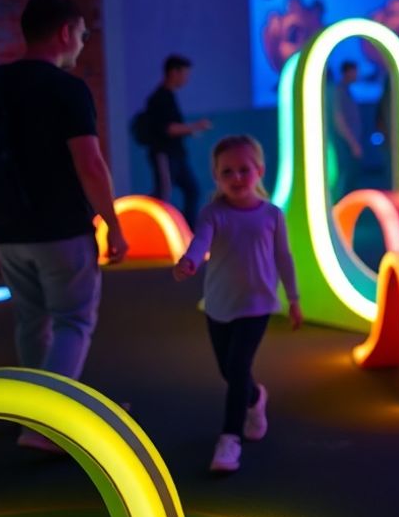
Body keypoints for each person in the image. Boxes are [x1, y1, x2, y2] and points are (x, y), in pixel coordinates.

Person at [0, 0, 128, 453]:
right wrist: (113, 224)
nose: (82, 43)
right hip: (62, 229)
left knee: (32, 320)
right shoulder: (67, 89)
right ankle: (45, 424)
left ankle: (32, 410)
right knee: (74, 321)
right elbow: (89, 163)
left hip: (7, 230)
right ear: (64, 32)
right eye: (82, 34)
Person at [173, 135, 302, 474]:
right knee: (229, 371)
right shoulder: (213, 213)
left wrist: (294, 298)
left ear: (259, 171)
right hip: (219, 303)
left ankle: (229, 439)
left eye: (244, 170)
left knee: (238, 365)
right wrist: (189, 261)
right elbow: (200, 243)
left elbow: (284, 257)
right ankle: (256, 398)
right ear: (216, 176)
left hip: (257, 304)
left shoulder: (272, 215)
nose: (237, 178)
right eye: (227, 171)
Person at [144, 55, 210, 227]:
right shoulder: (159, 98)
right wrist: (194, 127)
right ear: (174, 72)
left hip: (177, 155)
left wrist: (189, 130)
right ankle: (149, 225)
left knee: (192, 190)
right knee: (163, 194)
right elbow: (168, 128)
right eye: (185, 74)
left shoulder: (169, 96)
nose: (186, 79)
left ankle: (188, 231)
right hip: (164, 155)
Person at [327, 60, 364, 199]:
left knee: (348, 176)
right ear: (347, 72)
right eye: (355, 71)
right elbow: (339, 120)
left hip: (347, 142)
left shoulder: (345, 90)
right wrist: (353, 143)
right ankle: (340, 209)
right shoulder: (338, 91)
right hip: (344, 143)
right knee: (344, 176)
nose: (357, 75)